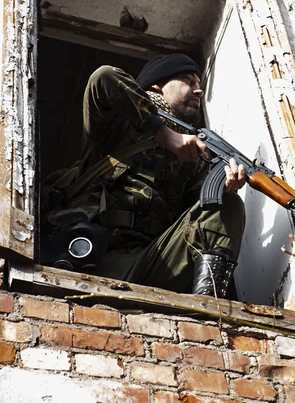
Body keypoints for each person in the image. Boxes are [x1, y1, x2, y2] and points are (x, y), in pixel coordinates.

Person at [73, 54, 246, 298]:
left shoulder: (194, 158)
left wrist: (226, 187)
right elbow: (103, 77)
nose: (199, 91)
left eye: (199, 84)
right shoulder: (116, 125)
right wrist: (166, 135)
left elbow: (200, 219)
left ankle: (209, 312)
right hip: (101, 256)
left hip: (159, 260)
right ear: (157, 85)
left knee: (228, 206)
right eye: (188, 81)